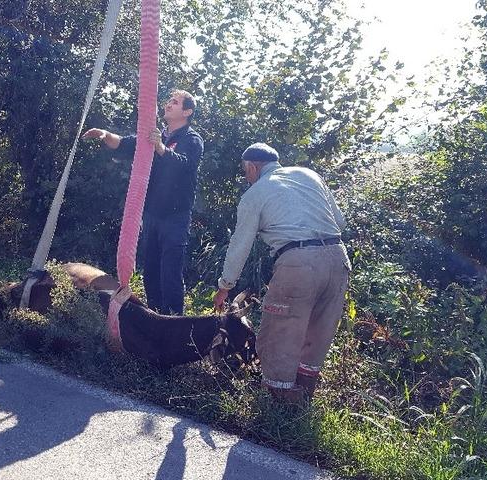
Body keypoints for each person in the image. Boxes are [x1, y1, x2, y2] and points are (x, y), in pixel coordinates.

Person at [212, 143, 350, 403]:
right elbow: (340, 222)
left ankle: (277, 404)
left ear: (252, 167)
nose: (246, 177)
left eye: (246, 172)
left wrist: (225, 286)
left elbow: (240, 244)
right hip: (338, 258)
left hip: (298, 262)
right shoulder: (309, 175)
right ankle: (303, 397)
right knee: (318, 332)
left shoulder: (255, 194)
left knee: (279, 332)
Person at [82, 90, 204, 315]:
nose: (168, 104)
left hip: (176, 217)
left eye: (175, 103)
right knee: (150, 270)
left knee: (170, 271)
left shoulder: (192, 139)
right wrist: (105, 134)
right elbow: (125, 144)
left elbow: (185, 165)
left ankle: (174, 319)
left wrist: (161, 148)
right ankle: (155, 316)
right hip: (151, 215)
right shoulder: (156, 135)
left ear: (187, 111)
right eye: (169, 101)